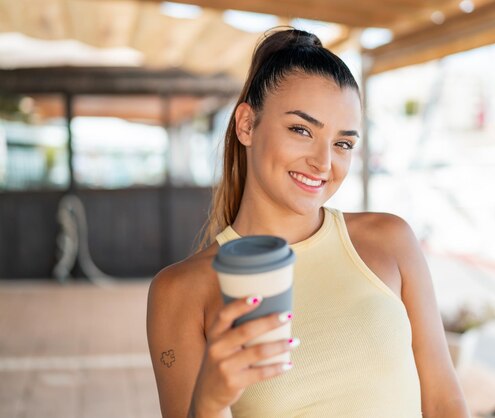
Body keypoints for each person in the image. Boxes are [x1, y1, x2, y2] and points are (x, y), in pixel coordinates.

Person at [146, 28, 470, 418]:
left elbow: (445, 404)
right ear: (246, 125)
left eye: (343, 143)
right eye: (302, 130)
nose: (324, 162)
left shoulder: (390, 241)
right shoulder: (182, 291)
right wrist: (211, 401)